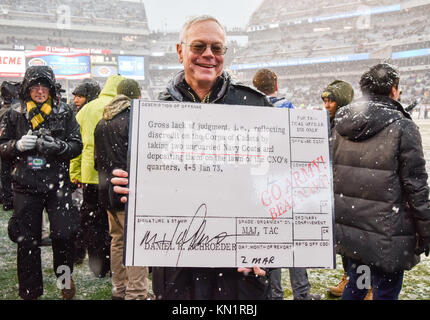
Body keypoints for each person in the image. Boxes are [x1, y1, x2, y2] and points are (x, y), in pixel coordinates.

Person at [112, 15, 272, 300]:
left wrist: (268, 249)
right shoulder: (153, 115)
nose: (209, 54)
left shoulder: (256, 105)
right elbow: (137, 188)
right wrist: (124, 189)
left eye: (217, 48)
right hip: (177, 263)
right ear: (180, 51)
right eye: (199, 46)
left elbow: (277, 185)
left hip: (240, 265)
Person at [332, 63, 430, 300]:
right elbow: (416, 187)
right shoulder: (402, 126)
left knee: (358, 284)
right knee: (385, 292)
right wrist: (426, 232)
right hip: (388, 235)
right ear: (394, 90)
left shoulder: (341, 124)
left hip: (353, 229)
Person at [0, 65, 83, 300]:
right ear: (28, 89)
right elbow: (2, 147)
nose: (39, 91)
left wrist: (60, 148)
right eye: (35, 87)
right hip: (25, 186)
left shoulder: (65, 111)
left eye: (43, 87)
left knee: (64, 236)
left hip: (57, 184)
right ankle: (30, 292)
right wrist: (16, 145)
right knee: (27, 242)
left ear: (50, 89)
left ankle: (65, 279)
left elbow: (77, 145)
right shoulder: (15, 113)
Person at [252, 68, 320, 300]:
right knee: (294, 242)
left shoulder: (251, 110)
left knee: (273, 243)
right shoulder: (289, 109)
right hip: (290, 184)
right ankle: (302, 293)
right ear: (276, 85)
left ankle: (275, 294)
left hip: (263, 186)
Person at [94, 79, 150, 300]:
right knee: (136, 243)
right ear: (136, 96)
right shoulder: (133, 120)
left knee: (117, 241)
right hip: (128, 192)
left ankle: (120, 289)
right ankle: (137, 293)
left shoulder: (103, 120)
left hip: (107, 191)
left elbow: (98, 162)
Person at [319, 79, 375, 299]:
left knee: (359, 245)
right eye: (324, 100)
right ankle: (349, 278)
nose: (326, 105)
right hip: (335, 191)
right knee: (344, 243)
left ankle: (367, 285)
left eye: (331, 100)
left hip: (354, 192)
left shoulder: (356, 124)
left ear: (341, 101)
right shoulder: (328, 122)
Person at [70, 74, 125, 278]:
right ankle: (114, 263)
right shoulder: (122, 107)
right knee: (114, 222)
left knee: (92, 221)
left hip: (89, 175)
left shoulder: (86, 109)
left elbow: (76, 143)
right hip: (113, 174)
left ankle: (98, 266)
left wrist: (75, 172)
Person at [69, 78, 101, 264]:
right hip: (84, 174)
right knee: (84, 217)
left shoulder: (87, 114)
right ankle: (81, 253)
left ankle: (83, 253)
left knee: (87, 217)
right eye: (74, 96)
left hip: (89, 174)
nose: (75, 100)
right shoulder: (75, 114)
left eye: (79, 96)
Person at [0, 81, 20, 211]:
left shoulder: (9, 110)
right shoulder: (10, 111)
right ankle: (8, 199)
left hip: (9, 145)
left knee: (6, 173)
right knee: (7, 173)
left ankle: (8, 199)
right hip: (9, 146)